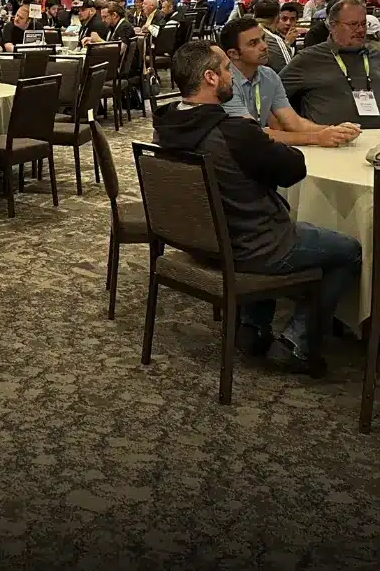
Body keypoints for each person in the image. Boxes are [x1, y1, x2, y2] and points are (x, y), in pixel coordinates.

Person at [154, 42, 361, 374]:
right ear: (209, 77)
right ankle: (299, 341)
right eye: (225, 69)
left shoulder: (166, 126)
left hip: (201, 241)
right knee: (348, 249)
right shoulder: (232, 131)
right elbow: (293, 170)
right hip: (253, 246)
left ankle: (253, 326)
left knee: (259, 213)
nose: (231, 76)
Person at [220, 18, 361, 148]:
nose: (264, 46)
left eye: (263, 39)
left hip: (255, 151)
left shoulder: (269, 76)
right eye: (253, 43)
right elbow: (252, 133)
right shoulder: (224, 82)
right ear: (233, 54)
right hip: (230, 156)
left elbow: (294, 122)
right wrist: (317, 137)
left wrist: (335, 131)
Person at [281, 0, 380, 129]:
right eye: (353, 24)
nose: (360, 30)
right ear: (332, 25)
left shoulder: (376, 55)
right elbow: (274, 97)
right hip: (332, 144)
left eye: (364, 24)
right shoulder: (308, 59)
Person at [251, 0, 292, 72]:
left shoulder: (244, 33)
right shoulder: (275, 40)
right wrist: (286, 46)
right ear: (277, 18)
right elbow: (289, 73)